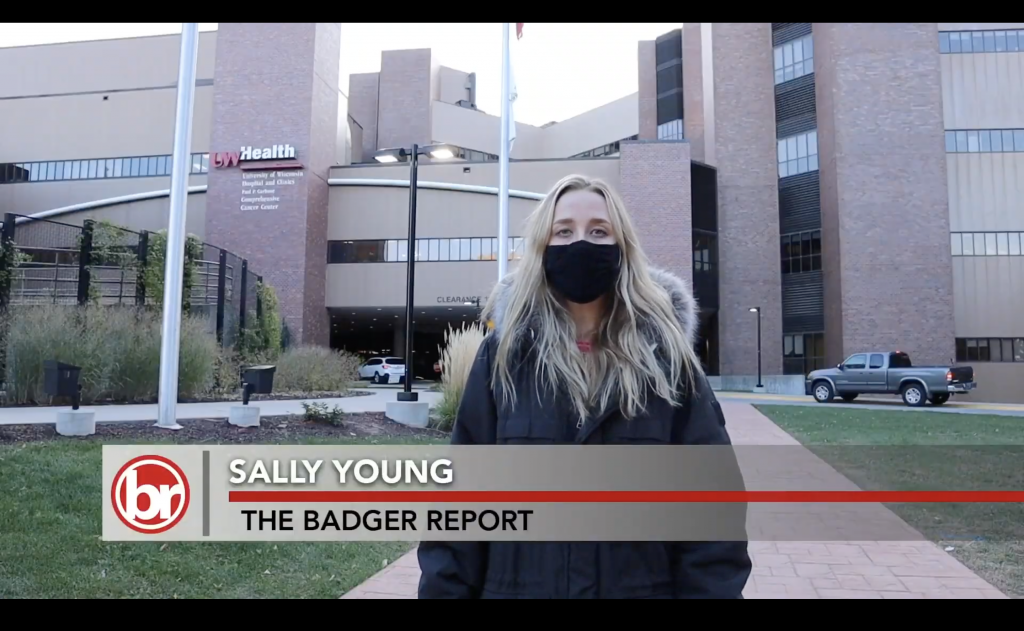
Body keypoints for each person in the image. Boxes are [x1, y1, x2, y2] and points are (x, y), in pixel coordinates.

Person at [417, 174, 751, 599]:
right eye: (563, 231)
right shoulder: (503, 359)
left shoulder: (668, 363)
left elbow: (711, 511)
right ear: (542, 246)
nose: (580, 244)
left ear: (621, 247)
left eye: (598, 231)